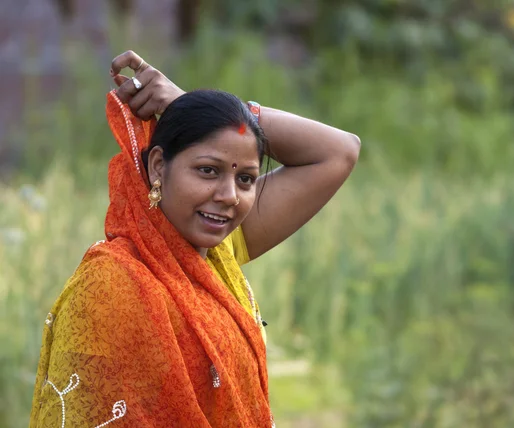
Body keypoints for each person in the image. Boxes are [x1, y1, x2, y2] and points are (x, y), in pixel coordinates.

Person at [29, 50, 360, 427]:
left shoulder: (219, 256)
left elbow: (341, 150)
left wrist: (193, 106)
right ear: (158, 166)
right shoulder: (111, 285)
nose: (229, 196)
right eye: (207, 170)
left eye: (246, 178)